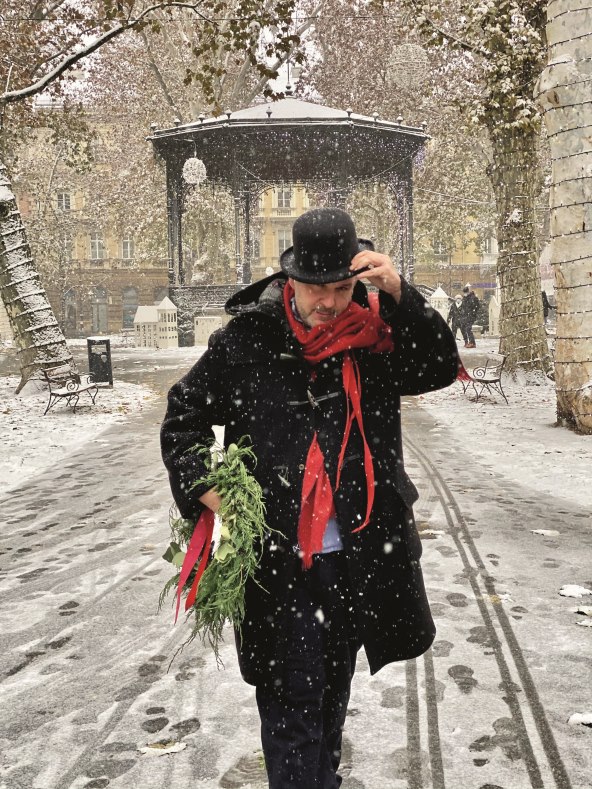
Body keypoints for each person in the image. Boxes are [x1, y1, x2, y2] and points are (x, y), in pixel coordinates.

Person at [161, 207, 458, 789]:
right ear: (289, 280)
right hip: (277, 558)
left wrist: (400, 292)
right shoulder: (247, 339)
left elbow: (439, 367)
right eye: (316, 289)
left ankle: (323, 776)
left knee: (329, 689)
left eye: (343, 289)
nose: (329, 303)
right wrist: (206, 486)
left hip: (360, 551)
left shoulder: (377, 337)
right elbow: (184, 417)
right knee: (291, 702)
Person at [459, 283, 480, 348]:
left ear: (468, 292)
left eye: (466, 292)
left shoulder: (473, 298)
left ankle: (472, 343)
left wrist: (473, 312)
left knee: (468, 328)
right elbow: (463, 307)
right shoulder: (465, 298)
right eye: (464, 292)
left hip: (471, 316)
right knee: (464, 328)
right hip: (465, 316)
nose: (465, 294)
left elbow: (477, 306)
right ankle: (467, 342)